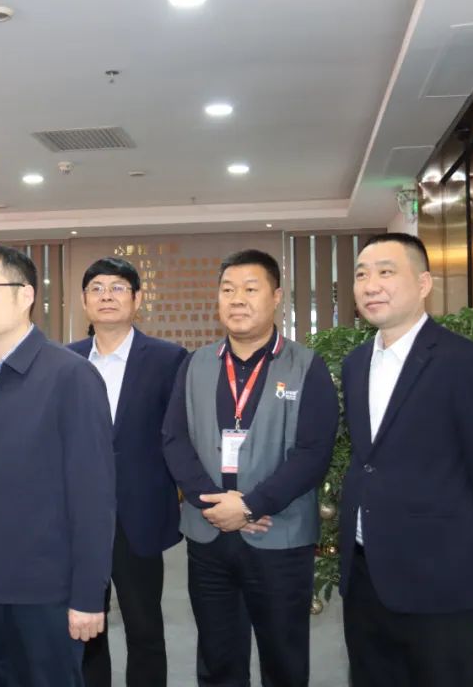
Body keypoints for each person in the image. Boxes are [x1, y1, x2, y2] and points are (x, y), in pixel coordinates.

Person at [161, 249, 338, 686]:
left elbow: (313, 452)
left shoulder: (307, 366)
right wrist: (213, 504)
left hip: (279, 537)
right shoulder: (195, 364)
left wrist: (251, 505)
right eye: (227, 290)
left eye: (250, 289)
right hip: (209, 537)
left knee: (284, 658)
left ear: (276, 297)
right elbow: (174, 439)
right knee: (217, 657)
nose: (237, 299)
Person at [340, 233, 473, 687]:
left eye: (386, 272)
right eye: (361, 275)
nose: (371, 285)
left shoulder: (463, 361)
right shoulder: (355, 364)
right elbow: (368, 459)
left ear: (424, 283)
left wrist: (467, 547)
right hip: (365, 570)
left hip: (440, 573)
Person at [0, 246, 115, 687]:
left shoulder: (71, 376)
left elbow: (93, 498)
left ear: (25, 295)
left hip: (46, 594)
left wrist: (88, 595)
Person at [68, 257, 187, 686]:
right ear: (84, 301)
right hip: (78, 517)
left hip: (139, 514)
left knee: (144, 627)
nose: (107, 296)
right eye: (96, 288)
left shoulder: (169, 359)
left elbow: (179, 435)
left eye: (118, 287)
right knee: (85, 624)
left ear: (137, 299)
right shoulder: (66, 361)